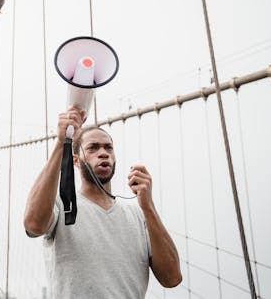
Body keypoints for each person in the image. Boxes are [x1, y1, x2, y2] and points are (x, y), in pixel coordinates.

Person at [24, 106, 182, 298]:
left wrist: (148, 207)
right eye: (93, 148)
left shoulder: (139, 215)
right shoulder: (61, 204)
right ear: (75, 160)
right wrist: (61, 143)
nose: (103, 153)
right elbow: (33, 224)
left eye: (108, 147)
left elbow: (172, 278)